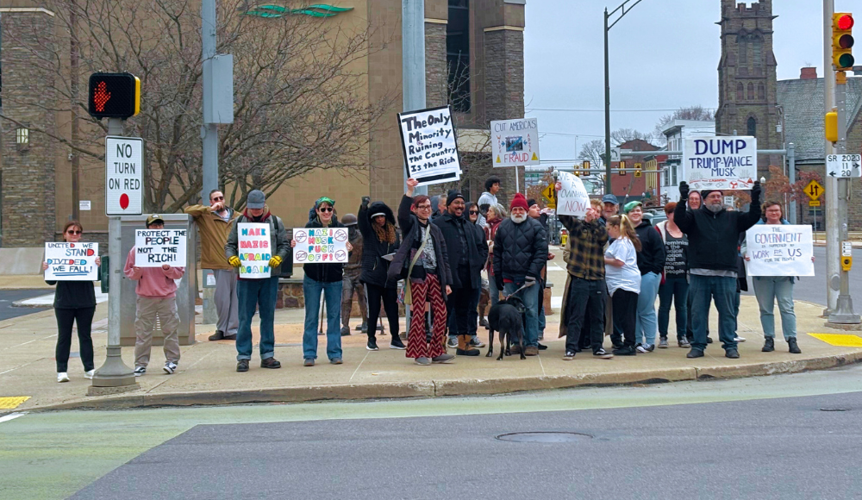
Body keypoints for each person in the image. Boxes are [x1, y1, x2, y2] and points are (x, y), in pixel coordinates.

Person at [674, 181, 762, 359]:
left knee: (728, 313)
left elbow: (753, 217)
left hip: (726, 274)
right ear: (704, 200)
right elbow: (679, 219)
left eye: (719, 196)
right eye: (712, 196)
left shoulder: (734, 217)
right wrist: (682, 199)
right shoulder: (694, 216)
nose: (716, 199)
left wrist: (755, 199)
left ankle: (730, 345)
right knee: (698, 313)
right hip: (699, 274)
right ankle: (698, 345)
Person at [388, 178, 454, 366]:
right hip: (418, 275)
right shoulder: (411, 226)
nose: (425, 209)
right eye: (421, 206)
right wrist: (409, 191)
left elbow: (444, 257)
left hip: (435, 275)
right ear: (415, 210)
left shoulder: (435, 229)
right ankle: (418, 352)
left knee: (441, 312)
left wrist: (447, 282)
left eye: (427, 206)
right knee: (418, 314)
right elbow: (401, 214)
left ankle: (436, 350)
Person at [226, 189, 290, 372]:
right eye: (253, 208)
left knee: (267, 316)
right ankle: (244, 356)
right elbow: (230, 245)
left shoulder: (276, 222)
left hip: (269, 276)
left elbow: (284, 245)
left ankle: (267, 354)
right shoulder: (239, 222)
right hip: (246, 276)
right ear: (248, 206)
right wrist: (232, 257)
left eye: (258, 207)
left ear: (264, 205)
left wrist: (279, 257)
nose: (255, 211)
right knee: (244, 317)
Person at [292, 196, 351, 366]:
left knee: (334, 317)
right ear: (317, 211)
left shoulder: (340, 229)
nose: (326, 212)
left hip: (334, 278)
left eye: (329, 209)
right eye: (323, 209)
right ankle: (309, 354)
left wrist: (348, 250)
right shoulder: (309, 228)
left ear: (333, 211)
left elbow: (345, 257)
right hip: (313, 278)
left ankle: (335, 353)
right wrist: (296, 244)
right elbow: (302, 250)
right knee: (311, 316)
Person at [124, 215, 185, 377]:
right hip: (145, 297)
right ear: (147, 228)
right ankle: (140, 364)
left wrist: (167, 269)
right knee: (143, 333)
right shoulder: (137, 250)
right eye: (153, 225)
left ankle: (172, 361)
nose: (157, 228)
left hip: (167, 296)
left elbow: (179, 273)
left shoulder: (172, 247)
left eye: (159, 225)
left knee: (170, 330)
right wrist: (137, 271)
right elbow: (129, 273)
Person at [557, 182, 611, 360]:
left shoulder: (601, 228)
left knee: (598, 315)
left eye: (596, 211)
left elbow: (603, 238)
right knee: (576, 314)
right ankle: (571, 347)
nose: (593, 213)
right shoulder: (577, 227)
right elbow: (564, 216)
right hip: (579, 276)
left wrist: (594, 222)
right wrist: (560, 194)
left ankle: (598, 347)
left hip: (596, 277)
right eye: (591, 210)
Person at [43, 221, 100, 383]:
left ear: (81, 235)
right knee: (64, 336)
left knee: (85, 335)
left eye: (77, 232)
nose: (74, 235)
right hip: (64, 301)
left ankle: (89, 368)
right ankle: (62, 370)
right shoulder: (56, 252)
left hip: (86, 300)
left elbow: (97, 277)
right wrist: (47, 269)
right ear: (64, 234)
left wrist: (98, 266)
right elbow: (51, 282)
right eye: (71, 232)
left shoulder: (88, 253)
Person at [493, 193, 548, 356]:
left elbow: (541, 252)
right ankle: (516, 342)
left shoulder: (536, 226)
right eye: (514, 209)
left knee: (531, 310)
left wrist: (533, 272)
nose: (517, 212)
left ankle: (531, 343)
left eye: (520, 209)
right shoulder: (503, 227)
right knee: (512, 312)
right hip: (509, 277)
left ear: (525, 210)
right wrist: (498, 274)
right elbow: (497, 252)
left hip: (530, 278)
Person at [435, 189, 488, 356]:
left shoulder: (469, 226)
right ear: (449, 205)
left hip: (469, 275)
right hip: (449, 276)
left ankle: (464, 344)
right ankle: (439, 346)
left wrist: (478, 263)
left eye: (461, 203)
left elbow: (482, 248)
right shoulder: (438, 224)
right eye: (455, 203)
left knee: (464, 309)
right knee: (445, 311)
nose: (459, 206)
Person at [744, 201, 802, 354]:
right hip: (762, 276)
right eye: (771, 211)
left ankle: (792, 339)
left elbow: (801, 248)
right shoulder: (755, 230)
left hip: (784, 276)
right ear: (765, 212)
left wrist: (807, 257)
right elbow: (744, 245)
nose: (774, 213)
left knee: (787, 307)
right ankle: (769, 338)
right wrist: (746, 253)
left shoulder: (791, 230)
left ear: (781, 212)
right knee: (765, 308)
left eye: (777, 210)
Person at [185, 189, 239, 341]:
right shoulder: (206, 216)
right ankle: (222, 328)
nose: (219, 201)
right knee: (222, 299)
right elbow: (188, 210)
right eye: (215, 199)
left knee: (235, 298)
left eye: (221, 198)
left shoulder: (237, 217)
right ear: (211, 201)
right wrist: (208, 209)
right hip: (218, 262)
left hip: (236, 263)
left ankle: (232, 329)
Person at [358, 197, 403, 350]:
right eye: (376, 217)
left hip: (389, 275)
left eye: (382, 216)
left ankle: (395, 338)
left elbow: (399, 249)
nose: (380, 219)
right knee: (374, 308)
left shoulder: (394, 234)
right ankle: (371, 339)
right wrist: (364, 208)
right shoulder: (369, 232)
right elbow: (362, 222)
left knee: (392, 309)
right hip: (373, 276)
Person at [624, 201, 665, 353]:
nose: (636, 213)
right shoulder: (624, 232)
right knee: (632, 309)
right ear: (627, 214)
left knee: (646, 309)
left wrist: (655, 272)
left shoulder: (650, 231)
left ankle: (649, 341)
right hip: (629, 276)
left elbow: (660, 253)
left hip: (648, 275)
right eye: (633, 210)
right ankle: (635, 340)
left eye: (639, 210)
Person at [604, 215, 642, 356]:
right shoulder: (620, 241)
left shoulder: (621, 243)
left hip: (624, 283)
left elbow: (620, 262)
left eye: (609, 228)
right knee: (624, 314)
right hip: (621, 283)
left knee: (627, 315)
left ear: (616, 227)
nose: (608, 231)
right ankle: (627, 343)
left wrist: (603, 260)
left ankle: (629, 344)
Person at [656, 202, 690, 349]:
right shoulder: (660, 230)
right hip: (666, 276)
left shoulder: (687, 230)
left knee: (682, 306)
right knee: (664, 306)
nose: (676, 216)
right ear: (668, 214)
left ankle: (682, 336)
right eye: (673, 213)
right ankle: (663, 336)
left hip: (683, 275)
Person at [684, 190, 710, 344]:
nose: (694, 201)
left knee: (703, 303)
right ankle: (690, 332)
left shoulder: (704, 217)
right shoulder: (685, 217)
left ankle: (704, 332)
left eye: (696, 199)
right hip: (687, 266)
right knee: (690, 303)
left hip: (702, 264)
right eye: (691, 199)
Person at [339, 213, 368, 337]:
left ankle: (366, 322)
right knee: (346, 299)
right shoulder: (340, 239)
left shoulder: (362, 237)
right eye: (347, 228)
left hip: (360, 270)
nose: (350, 230)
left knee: (363, 297)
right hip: (347, 272)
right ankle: (345, 326)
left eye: (352, 227)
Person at [465, 202, 488, 346]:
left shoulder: (479, 230)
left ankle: (472, 334)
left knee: (473, 305)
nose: (474, 214)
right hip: (461, 273)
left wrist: (479, 263)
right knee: (459, 307)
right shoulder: (460, 228)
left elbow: (483, 248)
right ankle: (455, 335)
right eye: (471, 212)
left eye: (476, 212)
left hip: (475, 273)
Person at [485, 203, 507, 309]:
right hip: (490, 264)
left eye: (490, 211)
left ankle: (507, 315)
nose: (487, 213)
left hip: (502, 265)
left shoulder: (502, 226)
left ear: (497, 213)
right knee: (493, 294)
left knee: (505, 292)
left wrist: (489, 245)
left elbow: (501, 245)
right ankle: (495, 317)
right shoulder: (488, 227)